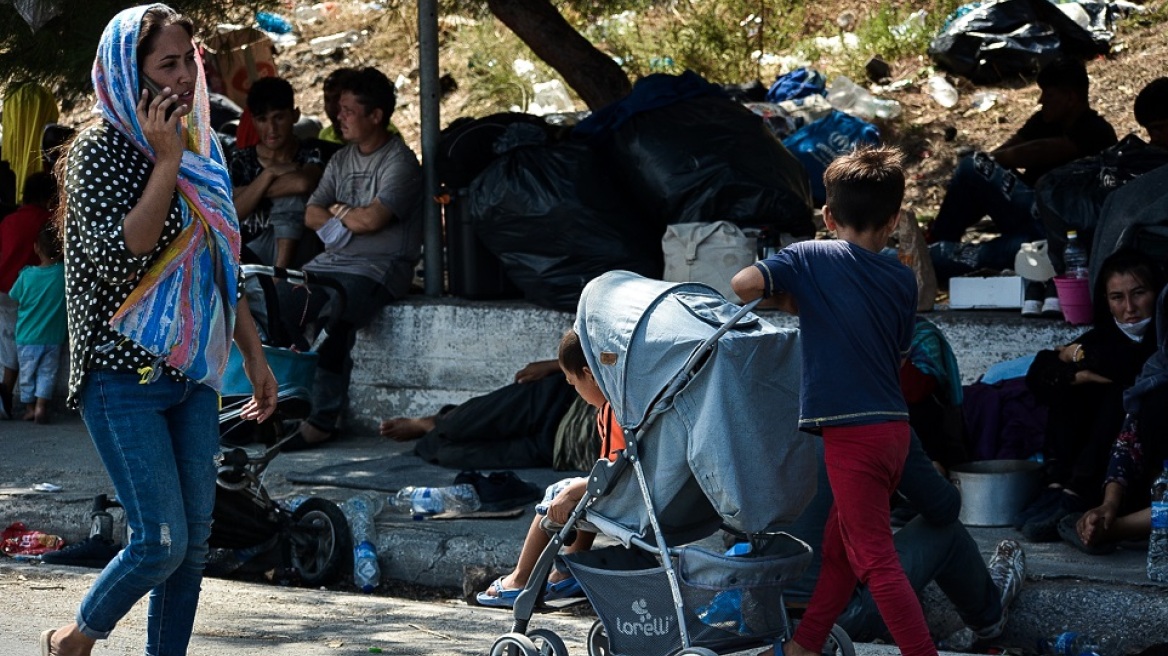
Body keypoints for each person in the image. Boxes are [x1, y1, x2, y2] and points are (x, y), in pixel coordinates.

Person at [40, 6, 277, 656]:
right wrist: (166, 161)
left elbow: (217, 258)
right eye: (166, 65)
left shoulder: (199, 139)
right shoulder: (99, 151)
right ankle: (76, 637)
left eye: (187, 62)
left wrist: (254, 359)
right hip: (121, 381)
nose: (181, 78)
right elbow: (127, 253)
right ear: (129, 71)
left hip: (190, 373)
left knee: (193, 541)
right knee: (159, 539)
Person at [731, 146, 936, 656]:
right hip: (892, 430)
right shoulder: (900, 279)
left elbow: (742, 285)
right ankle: (806, 644)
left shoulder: (809, 256)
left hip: (852, 434)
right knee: (838, 548)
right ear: (893, 221)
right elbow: (896, 349)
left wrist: (792, 294)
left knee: (875, 559)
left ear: (827, 216)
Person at [276, 66, 422, 449]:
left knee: (333, 317)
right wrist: (347, 213)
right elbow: (311, 213)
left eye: (348, 110)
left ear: (376, 116)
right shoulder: (341, 160)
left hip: (378, 269)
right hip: (331, 263)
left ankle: (323, 420)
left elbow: (375, 219)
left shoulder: (400, 162)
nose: (338, 117)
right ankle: (281, 405)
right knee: (277, 302)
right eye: (338, 109)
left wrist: (336, 210)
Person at [772, 434, 1025, 651]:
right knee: (942, 530)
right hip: (836, 617)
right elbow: (943, 508)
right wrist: (926, 472)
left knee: (848, 543)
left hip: (766, 612)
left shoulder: (765, 423)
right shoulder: (873, 419)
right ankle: (988, 617)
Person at [927, 58, 1118, 296]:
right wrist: (986, 175)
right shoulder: (1043, 121)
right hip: (1026, 218)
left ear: (1070, 98)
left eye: (1048, 96)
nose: (1041, 102)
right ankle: (935, 241)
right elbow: (1002, 154)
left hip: (1055, 233)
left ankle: (933, 252)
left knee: (946, 258)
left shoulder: (1096, 131)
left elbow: (1036, 152)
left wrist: (993, 163)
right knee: (972, 170)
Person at [1018, 249, 1164, 542]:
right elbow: (1040, 372)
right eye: (1117, 298)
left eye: (1139, 293)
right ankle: (1058, 487)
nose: (1130, 307)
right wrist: (1077, 373)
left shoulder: (1162, 339)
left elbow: (1127, 367)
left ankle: (1081, 497)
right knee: (1070, 387)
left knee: (1117, 395)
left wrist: (1078, 356)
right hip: (1089, 455)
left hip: (1135, 460)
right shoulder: (1105, 335)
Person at [475, 329, 625, 607]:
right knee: (582, 490)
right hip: (647, 495)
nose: (575, 390)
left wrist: (572, 492)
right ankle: (565, 572)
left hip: (627, 500)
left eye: (573, 382)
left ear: (589, 375)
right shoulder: (637, 402)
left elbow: (614, 470)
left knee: (561, 491)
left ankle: (520, 579)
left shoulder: (615, 411)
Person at [1062, 285, 1168, 554]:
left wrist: (1115, 525)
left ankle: (1119, 529)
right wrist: (1109, 502)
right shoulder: (1159, 369)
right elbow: (1128, 441)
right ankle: (1113, 522)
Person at [228, 76, 325, 269]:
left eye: (279, 117)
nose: (271, 129)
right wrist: (269, 173)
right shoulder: (241, 159)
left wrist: (245, 194)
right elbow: (233, 213)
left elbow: (302, 184)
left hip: (300, 247)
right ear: (253, 122)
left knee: (291, 195)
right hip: (252, 249)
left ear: (295, 115)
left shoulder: (309, 153)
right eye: (262, 120)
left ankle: (279, 276)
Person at [0, 171, 56, 419]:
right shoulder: (50, 221)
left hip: (5, 289)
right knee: (26, 347)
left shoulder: (9, 221)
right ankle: (14, 395)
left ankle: (9, 394)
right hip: (36, 294)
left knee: (12, 342)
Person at [9, 224, 66, 424]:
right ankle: (42, 405)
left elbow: (13, 298)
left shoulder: (26, 275)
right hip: (54, 336)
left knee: (27, 374)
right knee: (47, 372)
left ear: (36, 248)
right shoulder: (63, 274)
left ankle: (30, 408)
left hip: (28, 337)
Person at [317, 67, 358, 144]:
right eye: (327, 100)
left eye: (338, 99)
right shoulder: (325, 137)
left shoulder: (383, 135)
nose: (331, 108)